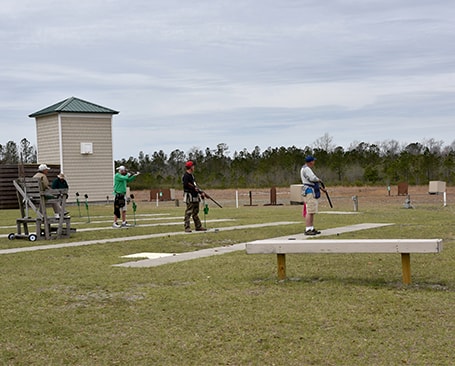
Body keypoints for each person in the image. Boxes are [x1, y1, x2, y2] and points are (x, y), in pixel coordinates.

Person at [300, 155, 326, 235]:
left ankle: (311, 227)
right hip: (310, 191)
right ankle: (308, 229)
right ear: (311, 162)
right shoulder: (307, 169)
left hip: (309, 190)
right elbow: (312, 178)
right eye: (313, 161)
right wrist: (318, 179)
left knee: (312, 211)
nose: (314, 162)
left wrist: (321, 188)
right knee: (310, 210)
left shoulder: (304, 168)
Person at [182, 160, 207, 232]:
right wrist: (194, 188)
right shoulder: (186, 176)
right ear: (190, 167)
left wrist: (200, 192)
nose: (194, 167)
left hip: (195, 196)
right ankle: (187, 227)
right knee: (189, 212)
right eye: (193, 166)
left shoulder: (192, 176)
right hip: (189, 196)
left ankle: (198, 226)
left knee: (195, 212)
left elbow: (195, 186)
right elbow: (186, 185)